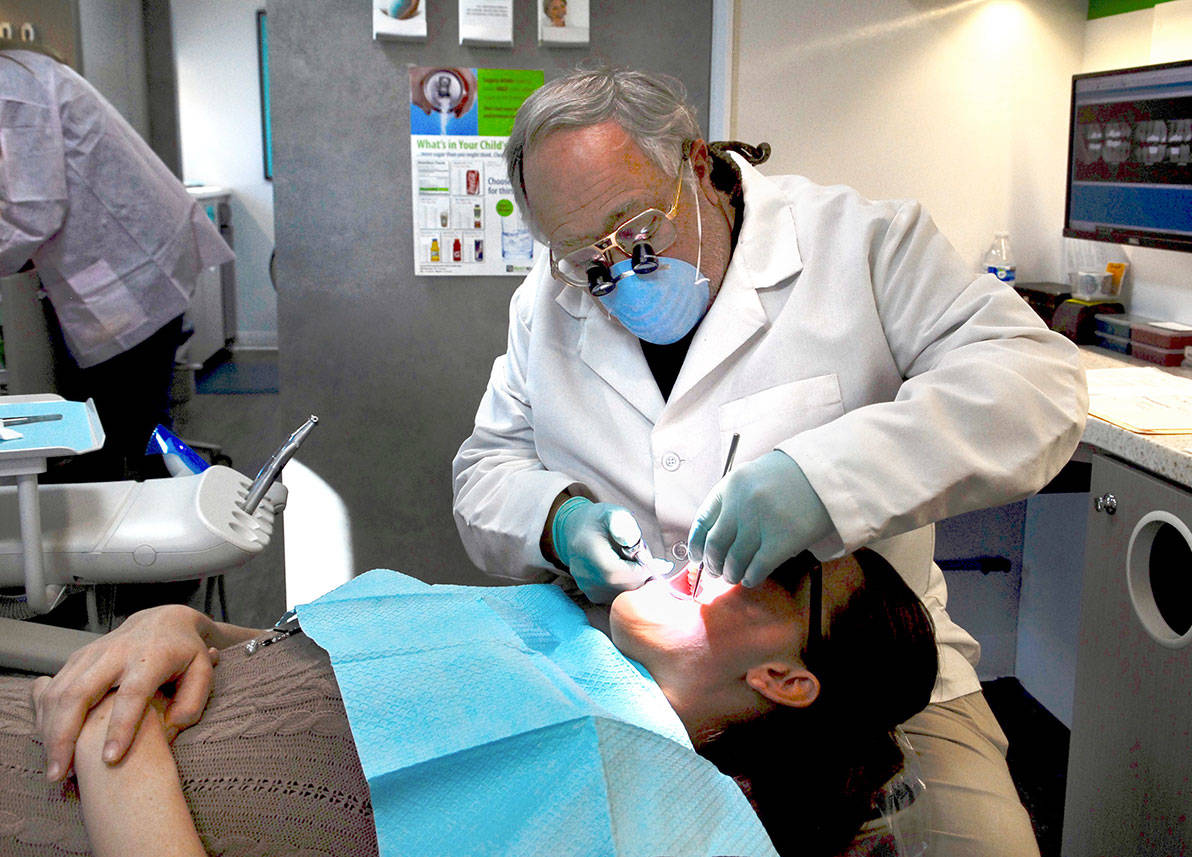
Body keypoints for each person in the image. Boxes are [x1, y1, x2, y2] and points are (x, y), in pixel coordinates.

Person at [450, 66, 1089, 855]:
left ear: (693, 164)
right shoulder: (545, 303)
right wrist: (557, 520)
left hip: (858, 691)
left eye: (636, 227)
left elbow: (1037, 385)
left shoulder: (860, 245)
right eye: (585, 254)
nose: (615, 269)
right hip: (619, 666)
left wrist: (827, 480)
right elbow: (487, 468)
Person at [4, 548, 937, 857]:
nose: (720, 548)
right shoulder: (546, 630)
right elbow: (299, 663)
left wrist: (113, 752)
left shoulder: (640, 816)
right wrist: (173, 625)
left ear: (785, 679)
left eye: (775, 565)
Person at [0, 42, 233, 482]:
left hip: (133, 271)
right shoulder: (21, 75)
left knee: (135, 428)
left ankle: (181, 521)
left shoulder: (10, 85)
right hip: (132, 265)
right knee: (129, 424)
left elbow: (34, 210)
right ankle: (167, 512)